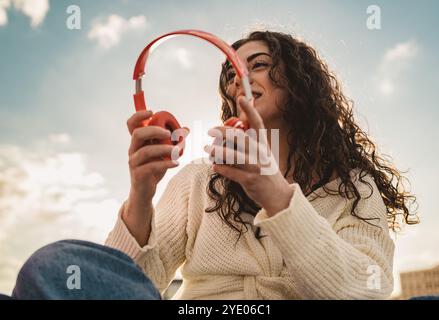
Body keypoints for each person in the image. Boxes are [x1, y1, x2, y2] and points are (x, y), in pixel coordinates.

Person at [8, 30, 418, 300]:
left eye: (256, 64)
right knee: (57, 265)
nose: (238, 77)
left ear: (299, 82)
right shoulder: (200, 180)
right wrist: (141, 193)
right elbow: (132, 285)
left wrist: (274, 195)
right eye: (230, 73)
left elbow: (368, 291)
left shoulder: (354, 187)